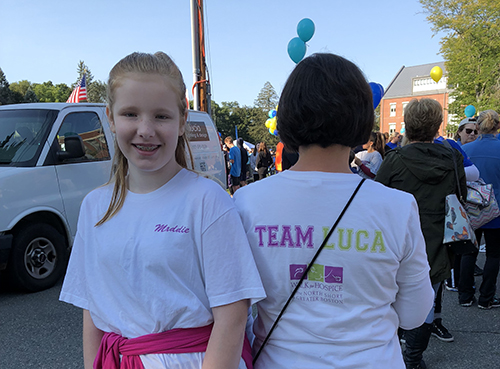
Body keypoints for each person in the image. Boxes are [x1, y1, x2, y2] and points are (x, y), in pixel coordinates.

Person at [59, 51, 265, 369]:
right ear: (110, 118)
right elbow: (93, 311)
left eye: (161, 116)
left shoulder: (207, 201)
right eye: (130, 114)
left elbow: (233, 318)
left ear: (183, 120)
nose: (146, 129)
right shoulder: (95, 207)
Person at [233, 53, 433, 369]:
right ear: (361, 119)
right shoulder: (398, 207)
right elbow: (414, 314)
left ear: (287, 116)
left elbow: (233, 310)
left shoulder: (246, 202)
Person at [376, 98, 467, 369]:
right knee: (426, 300)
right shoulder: (453, 157)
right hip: (437, 239)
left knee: (389, 297)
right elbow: (460, 196)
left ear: (407, 124)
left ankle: (394, 351)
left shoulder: (395, 160)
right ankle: (413, 359)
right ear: (438, 126)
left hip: (395, 240)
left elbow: (376, 199)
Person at [459, 110, 500, 309]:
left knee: (469, 252)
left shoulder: (467, 149)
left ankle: (465, 295)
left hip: (472, 207)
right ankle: (486, 297)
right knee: (493, 254)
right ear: (497, 126)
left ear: (478, 127)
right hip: (496, 208)